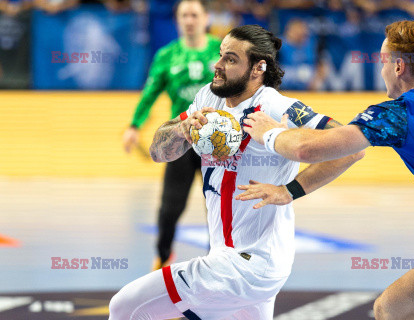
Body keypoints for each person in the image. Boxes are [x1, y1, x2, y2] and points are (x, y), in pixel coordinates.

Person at [109, 24, 364, 320]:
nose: (217, 65)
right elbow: (158, 153)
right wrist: (181, 130)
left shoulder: (278, 107)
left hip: (249, 265)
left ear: (258, 68)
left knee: (124, 307)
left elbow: (353, 146)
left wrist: (290, 190)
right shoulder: (208, 98)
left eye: (230, 59)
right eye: (220, 56)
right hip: (229, 257)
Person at [240, 20, 414, 320]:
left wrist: (268, 132)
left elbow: (309, 149)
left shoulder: (399, 114)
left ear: (398, 68)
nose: (381, 70)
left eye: (383, 61)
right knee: (394, 308)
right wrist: (288, 191)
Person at [122, 0, 221, 270]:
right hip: (183, 141)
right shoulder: (167, 55)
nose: (189, 20)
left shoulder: (221, 51)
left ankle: (217, 261)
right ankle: (163, 256)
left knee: (217, 207)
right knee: (169, 209)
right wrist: (134, 125)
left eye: (194, 14)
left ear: (206, 18)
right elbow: (150, 93)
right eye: (184, 15)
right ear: (178, 20)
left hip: (216, 143)